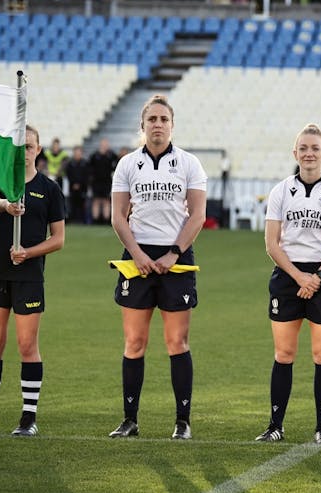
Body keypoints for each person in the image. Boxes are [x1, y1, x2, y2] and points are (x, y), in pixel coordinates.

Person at [108, 94, 207, 440]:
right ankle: (130, 420)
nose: (158, 125)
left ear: (172, 125)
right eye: (152, 119)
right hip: (137, 258)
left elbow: (197, 215)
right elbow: (118, 217)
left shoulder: (189, 164)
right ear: (143, 125)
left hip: (175, 258)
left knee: (176, 341)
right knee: (134, 342)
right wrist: (136, 254)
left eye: (164, 119)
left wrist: (173, 254)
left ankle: (182, 422)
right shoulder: (126, 165)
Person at [255, 123, 321, 445]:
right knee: (283, 353)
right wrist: (299, 277)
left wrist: (318, 277)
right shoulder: (282, 191)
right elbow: (272, 242)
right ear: (295, 153)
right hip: (288, 276)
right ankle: (275, 425)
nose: (309, 154)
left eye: (315, 148)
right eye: (303, 148)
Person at [0, 124, 66, 436]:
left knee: (27, 345)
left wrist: (29, 252)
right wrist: (8, 207)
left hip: (29, 276)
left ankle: (28, 418)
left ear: (38, 150)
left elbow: (59, 239)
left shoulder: (49, 189)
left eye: (29, 146)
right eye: (18, 146)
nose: (23, 151)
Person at [88, 138, 118, 225]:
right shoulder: (94, 156)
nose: (104, 146)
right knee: (96, 200)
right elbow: (90, 168)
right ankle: (95, 220)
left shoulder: (112, 155)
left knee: (106, 200)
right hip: (96, 182)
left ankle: (106, 220)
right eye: (103, 144)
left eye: (106, 144)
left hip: (107, 182)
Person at [64, 145, 89, 224]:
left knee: (82, 204)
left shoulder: (85, 163)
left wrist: (80, 184)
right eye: (76, 152)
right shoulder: (70, 164)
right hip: (72, 187)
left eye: (79, 152)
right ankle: (72, 219)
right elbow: (68, 174)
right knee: (72, 203)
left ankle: (82, 220)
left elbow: (86, 175)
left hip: (83, 187)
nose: (77, 154)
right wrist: (74, 183)